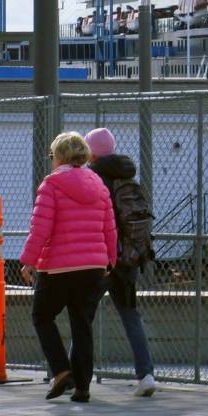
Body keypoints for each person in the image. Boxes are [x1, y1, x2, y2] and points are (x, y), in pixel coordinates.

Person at [19, 131, 116, 403]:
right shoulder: (98, 184)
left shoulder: (52, 184)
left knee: (42, 316)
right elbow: (110, 227)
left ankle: (61, 370)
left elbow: (40, 228)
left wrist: (29, 260)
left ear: (60, 156)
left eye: (52, 156)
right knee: (81, 324)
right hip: (94, 266)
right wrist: (109, 260)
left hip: (59, 268)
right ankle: (83, 387)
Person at [85, 127, 158, 397]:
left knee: (84, 316)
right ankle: (146, 374)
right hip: (128, 259)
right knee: (130, 316)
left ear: (91, 152)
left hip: (101, 258)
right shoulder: (128, 177)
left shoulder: (92, 179)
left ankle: (76, 374)